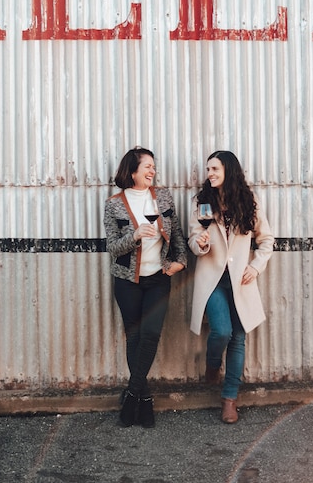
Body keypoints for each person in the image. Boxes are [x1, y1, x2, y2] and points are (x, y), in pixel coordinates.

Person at [103, 147, 188, 428]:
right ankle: (144, 398)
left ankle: (131, 395)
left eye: (154, 166)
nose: (152, 171)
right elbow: (113, 248)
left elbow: (175, 233)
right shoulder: (114, 204)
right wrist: (135, 235)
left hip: (158, 278)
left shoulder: (162, 197)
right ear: (132, 171)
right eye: (147, 166)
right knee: (135, 337)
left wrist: (182, 261)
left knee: (150, 335)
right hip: (127, 281)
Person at [187, 151, 274, 424]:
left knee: (238, 337)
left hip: (240, 280)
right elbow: (192, 238)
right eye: (208, 169)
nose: (209, 173)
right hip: (211, 279)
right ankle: (213, 365)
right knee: (221, 331)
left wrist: (255, 266)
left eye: (215, 168)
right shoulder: (201, 202)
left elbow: (266, 239)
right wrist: (199, 244)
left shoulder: (250, 202)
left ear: (229, 170)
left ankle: (229, 399)